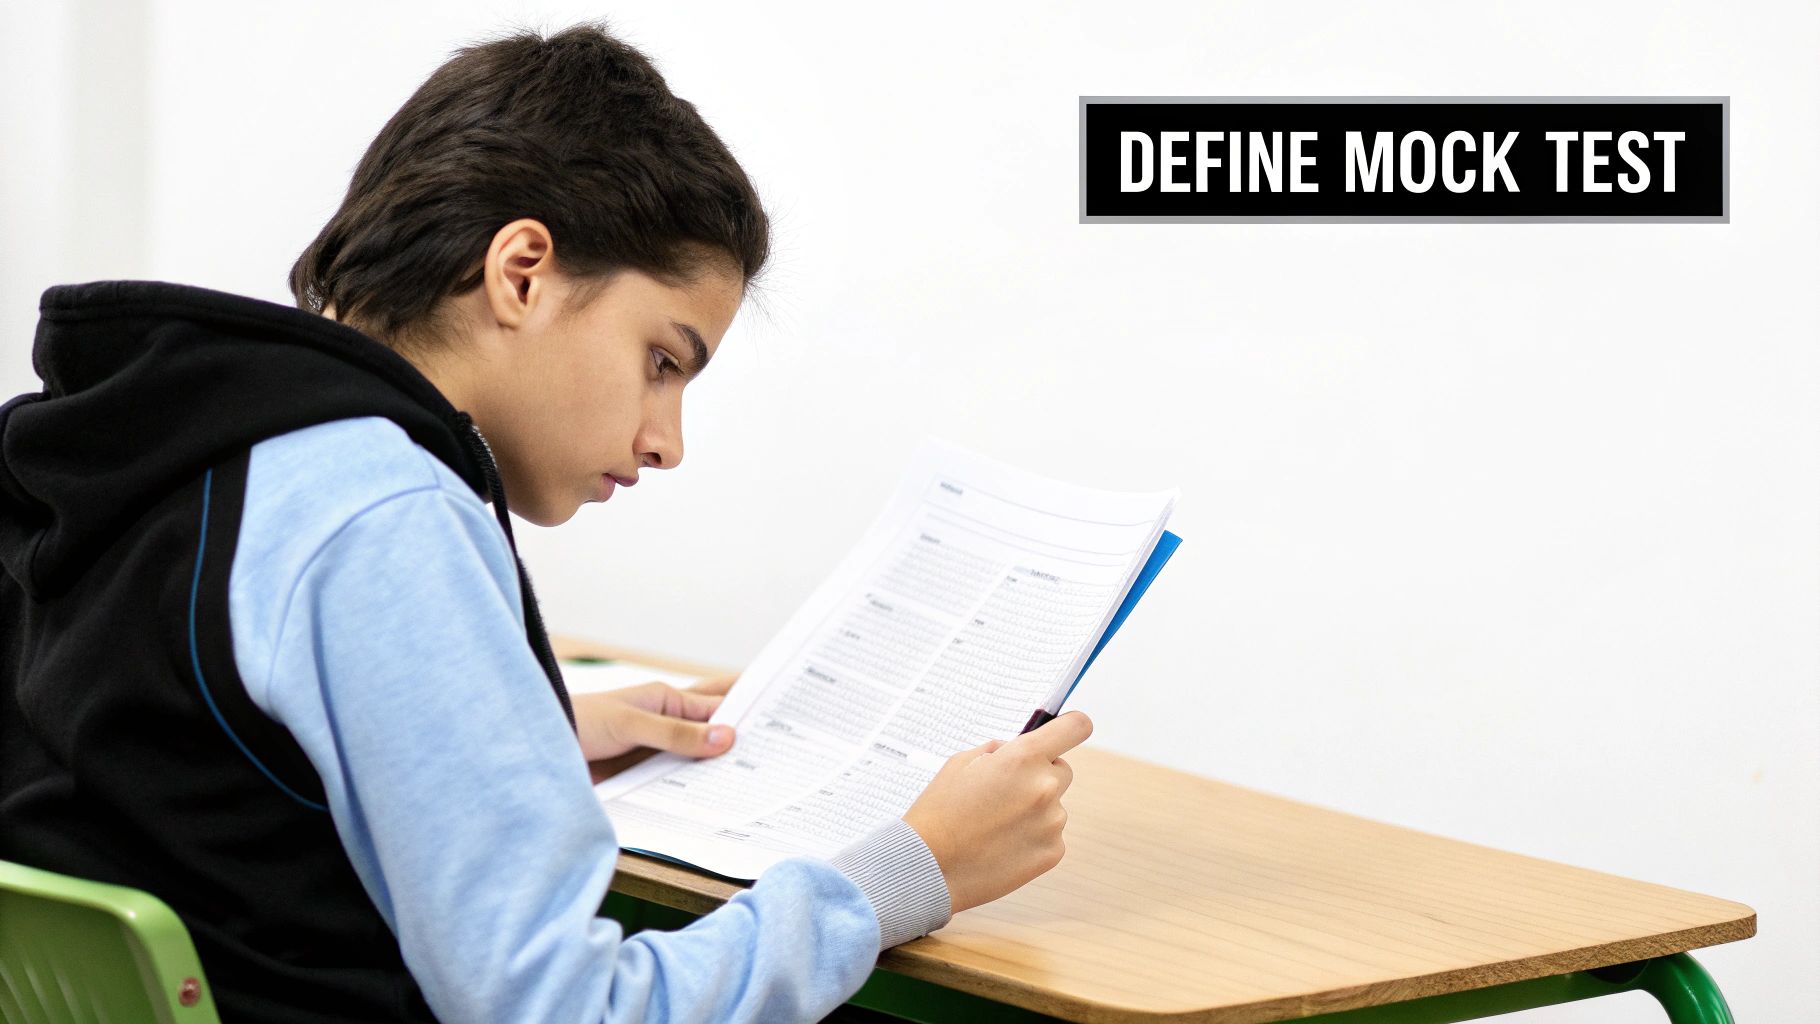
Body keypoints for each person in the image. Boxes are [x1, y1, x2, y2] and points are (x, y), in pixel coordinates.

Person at [0, 21, 1091, 1024]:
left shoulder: (180, 448)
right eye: (661, 361)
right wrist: (912, 867)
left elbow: (187, 765)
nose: (666, 439)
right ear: (521, 273)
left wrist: (516, 730)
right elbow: (565, 1006)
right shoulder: (383, 512)